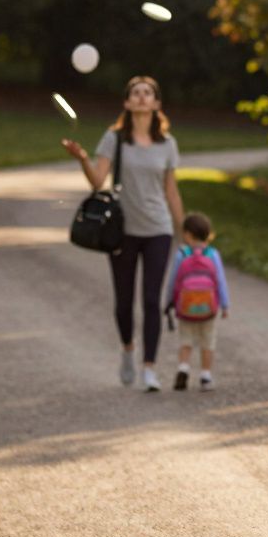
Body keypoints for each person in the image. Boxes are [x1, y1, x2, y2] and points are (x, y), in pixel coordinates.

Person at [61, 76, 184, 393]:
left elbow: (171, 190)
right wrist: (83, 160)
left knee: (151, 301)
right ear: (127, 103)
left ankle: (150, 369)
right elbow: (97, 181)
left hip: (158, 229)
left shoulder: (167, 144)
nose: (142, 98)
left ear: (157, 103)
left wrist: (181, 231)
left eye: (148, 94)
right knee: (124, 302)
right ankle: (128, 349)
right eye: (136, 93)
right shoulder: (114, 139)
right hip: (123, 231)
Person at [164, 212, 230, 391]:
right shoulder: (213, 254)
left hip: (186, 308)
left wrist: (169, 301)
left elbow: (173, 280)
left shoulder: (182, 254)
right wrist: (225, 305)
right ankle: (206, 375)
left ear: (187, 234)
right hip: (209, 309)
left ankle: (183, 367)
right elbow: (220, 281)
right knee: (208, 342)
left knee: (186, 340)